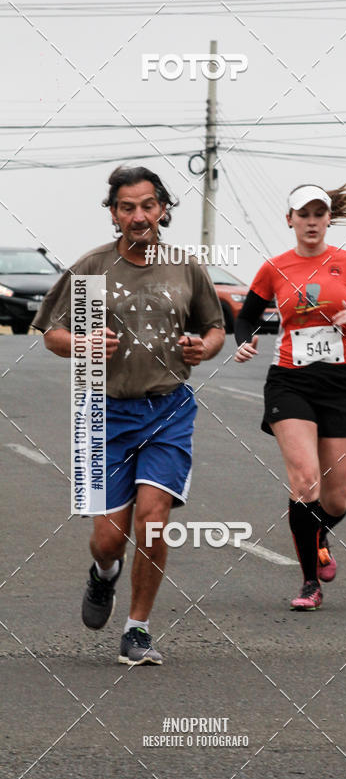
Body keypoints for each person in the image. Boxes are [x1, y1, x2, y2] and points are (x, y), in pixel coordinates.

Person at [32, 166, 225, 665]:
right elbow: (51, 332)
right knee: (107, 539)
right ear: (114, 213)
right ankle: (104, 574)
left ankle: (137, 629)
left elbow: (214, 327)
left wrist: (201, 347)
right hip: (104, 415)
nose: (138, 216)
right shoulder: (92, 269)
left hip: (168, 410)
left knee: (153, 521)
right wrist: (84, 343)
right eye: (127, 207)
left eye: (147, 205)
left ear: (163, 208)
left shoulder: (184, 266)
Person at [234, 182, 346, 610]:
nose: (311, 222)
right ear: (290, 220)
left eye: (319, 214)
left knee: (336, 498)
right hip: (290, 381)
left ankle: (319, 536)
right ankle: (308, 584)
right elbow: (246, 317)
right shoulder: (274, 267)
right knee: (306, 482)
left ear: (327, 220)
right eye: (303, 215)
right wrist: (245, 342)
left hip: (340, 383)